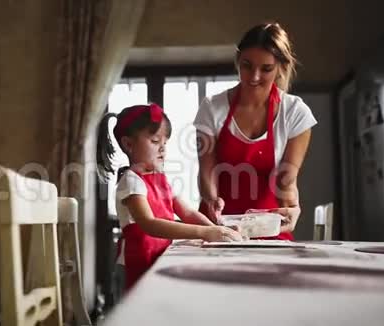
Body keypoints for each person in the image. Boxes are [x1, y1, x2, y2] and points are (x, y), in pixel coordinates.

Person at [97, 103, 242, 290]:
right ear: (128, 144)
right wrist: (205, 233)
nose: (163, 149)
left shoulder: (161, 179)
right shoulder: (130, 181)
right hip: (135, 264)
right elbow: (149, 223)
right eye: (155, 141)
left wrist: (217, 230)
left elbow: (187, 212)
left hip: (155, 259)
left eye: (165, 143)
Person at [194, 22, 317, 240]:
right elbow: (207, 171)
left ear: (281, 67)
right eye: (247, 65)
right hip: (218, 226)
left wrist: (292, 207)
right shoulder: (212, 108)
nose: (254, 76)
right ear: (238, 61)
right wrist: (211, 200)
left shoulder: (295, 112)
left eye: (266, 68)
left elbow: (286, 179)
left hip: (269, 226)